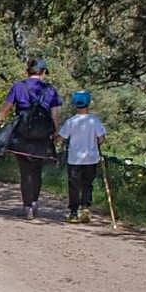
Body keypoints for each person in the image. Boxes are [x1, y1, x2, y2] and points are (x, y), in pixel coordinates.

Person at [0, 57, 62, 219]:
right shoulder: (51, 90)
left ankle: (27, 207)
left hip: (22, 134)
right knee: (37, 171)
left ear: (27, 71)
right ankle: (34, 203)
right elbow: (55, 114)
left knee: (25, 172)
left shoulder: (19, 86)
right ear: (43, 72)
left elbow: (7, 107)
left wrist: (0, 119)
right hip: (42, 135)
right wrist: (57, 132)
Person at [56, 90, 106, 223]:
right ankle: (85, 207)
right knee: (87, 184)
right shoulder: (94, 120)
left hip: (74, 159)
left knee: (74, 185)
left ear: (74, 104)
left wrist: (55, 138)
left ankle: (73, 212)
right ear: (88, 103)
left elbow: (61, 138)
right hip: (91, 158)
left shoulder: (71, 121)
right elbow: (101, 139)